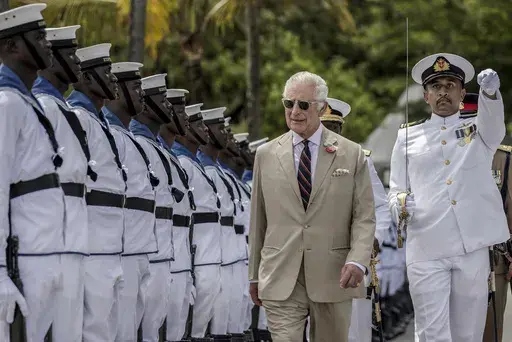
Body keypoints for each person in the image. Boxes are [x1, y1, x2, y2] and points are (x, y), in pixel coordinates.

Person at [388, 53, 509, 342]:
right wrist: (400, 204)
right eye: (436, 86)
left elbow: (495, 125)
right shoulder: (407, 137)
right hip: (427, 245)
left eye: (450, 85)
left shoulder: (479, 130)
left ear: (462, 93)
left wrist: (491, 94)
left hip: (471, 248)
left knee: (468, 331)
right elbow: (395, 189)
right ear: (426, 95)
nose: (443, 91)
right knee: (432, 332)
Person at [248, 71, 376, 341]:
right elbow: (258, 219)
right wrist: (254, 274)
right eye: (289, 103)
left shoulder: (350, 153)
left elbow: (364, 216)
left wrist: (357, 260)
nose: (294, 111)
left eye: (303, 105)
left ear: (320, 107)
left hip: (333, 275)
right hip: (281, 274)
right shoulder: (266, 155)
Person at [0, 4, 65, 341]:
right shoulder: (6, 104)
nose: (47, 44)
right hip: (24, 259)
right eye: (38, 37)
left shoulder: (28, 103)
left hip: (46, 254)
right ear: (12, 45)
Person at [32, 24, 91, 342]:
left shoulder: (61, 108)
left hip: (75, 238)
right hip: (49, 239)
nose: (78, 61)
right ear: (52, 61)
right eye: (71, 54)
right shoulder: (41, 107)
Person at [316, 97, 391, 342]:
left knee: (355, 330)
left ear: (342, 130)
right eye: (323, 127)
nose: (329, 135)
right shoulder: (297, 160)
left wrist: (374, 239)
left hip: (352, 258)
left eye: (334, 128)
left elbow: (379, 205)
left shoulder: (360, 159)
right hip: (312, 259)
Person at [66, 42, 125, 342]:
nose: (113, 79)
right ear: (88, 79)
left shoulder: (98, 122)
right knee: (93, 330)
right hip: (91, 245)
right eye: (106, 71)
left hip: (111, 245)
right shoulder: (77, 117)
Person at [102, 62, 159, 342]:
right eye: (135, 88)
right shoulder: (109, 133)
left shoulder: (128, 138)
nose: (141, 95)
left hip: (138, 250)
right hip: (116, 251)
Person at [456, 93, 512, 342]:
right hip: (449, 255)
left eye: (472, 121)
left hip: (492, 259)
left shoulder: (502, 158)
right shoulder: (439, 154)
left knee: (489, 329)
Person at [129, 74, 175, 342]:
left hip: (158, 254)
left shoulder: (155, 148)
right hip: (135, 253)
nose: (168, 107)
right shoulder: (134, 142)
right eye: (164, 100)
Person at [173, 103, 222, 338]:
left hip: (208, 258)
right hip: (196, 259)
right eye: (199, 124)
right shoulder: (183, 164)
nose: (205, 129)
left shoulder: (193, 165)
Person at [197, 107, 239, 340]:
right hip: (206, 256)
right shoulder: (197, 168)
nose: (227, 135)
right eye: (220, 128)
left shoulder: (221, 174)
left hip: (226, 255)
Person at [157, 88, 196, 342]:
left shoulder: (174, 159)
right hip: (158, 259)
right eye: (179, 111)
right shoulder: (174, 159)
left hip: (179, 259)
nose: (189, 123)